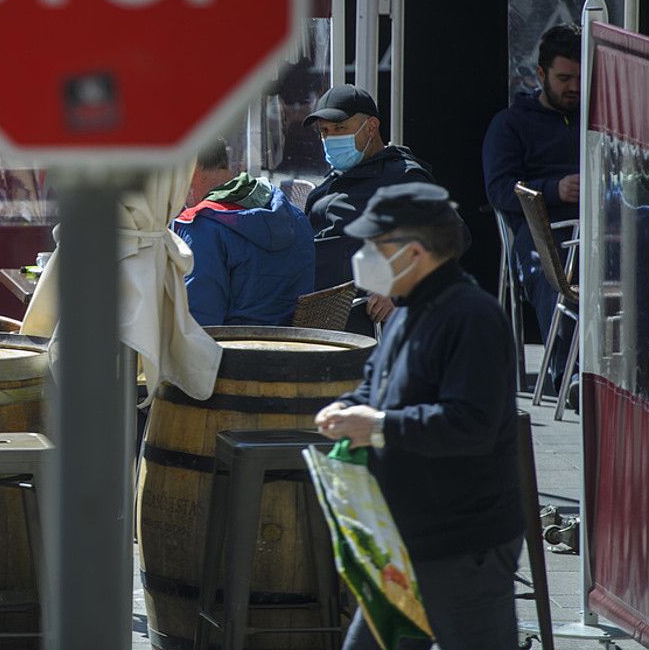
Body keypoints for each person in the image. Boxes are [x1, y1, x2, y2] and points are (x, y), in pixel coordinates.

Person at [315, 182, 523, 649]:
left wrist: (380, 427)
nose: (364, 254)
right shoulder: (407, 309)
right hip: (401, 538)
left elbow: (471, 424)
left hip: (462, 543)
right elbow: (376, 385)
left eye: (374, 244)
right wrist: (348, 406)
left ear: (413, 253)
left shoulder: (473, 317)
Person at [483, 23, 581, 398]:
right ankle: (569, 376)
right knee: (553, 270)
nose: (573, 86)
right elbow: (500, 190)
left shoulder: (598, 119)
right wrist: (554, 190)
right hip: (543, 226)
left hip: (605, 223)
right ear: (541, 75)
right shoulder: (510, 124)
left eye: (580, 77)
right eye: (563, 78)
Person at [302, 84, 434, 326]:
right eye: (324, 131)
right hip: (309, 306)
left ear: (371, 127)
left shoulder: (401, 177)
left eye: (340, 128)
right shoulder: (334, 180)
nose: (330, 138)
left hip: (355, 317)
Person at [172, 138, 314, 326]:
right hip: (299, 348)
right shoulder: (296, 217)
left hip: (234, 350)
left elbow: (198, 323)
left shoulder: (200, 227)